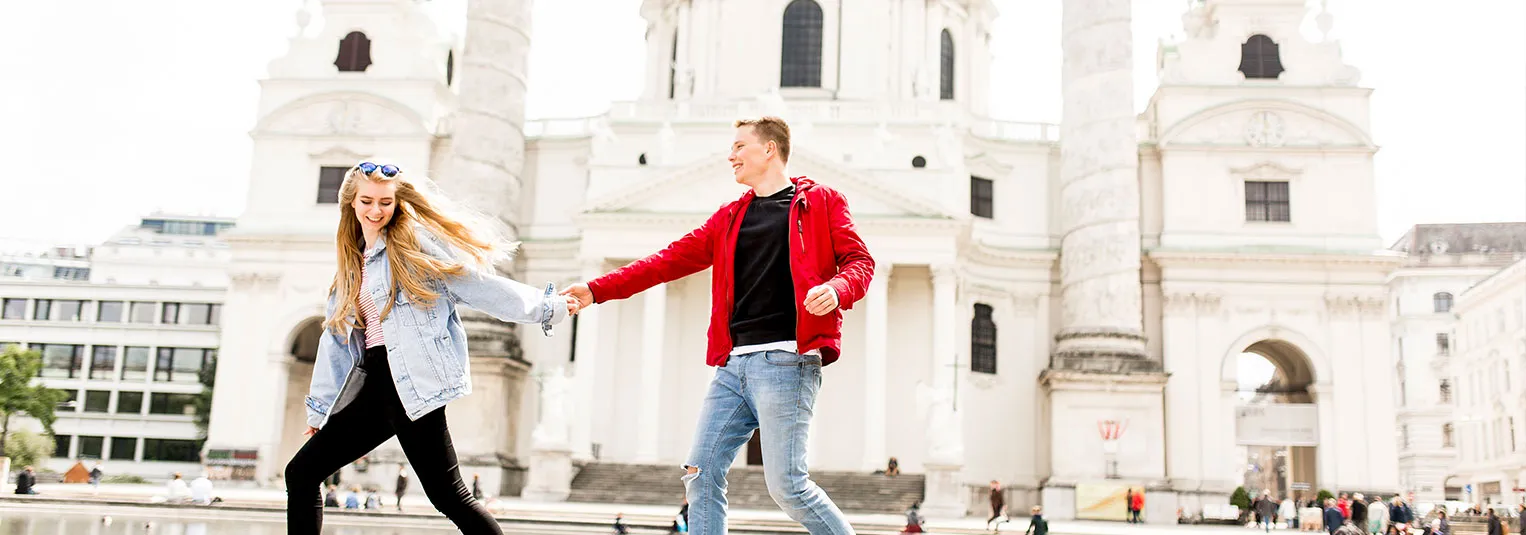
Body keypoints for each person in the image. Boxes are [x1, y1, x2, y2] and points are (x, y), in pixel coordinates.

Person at [561, 116, 875, 535]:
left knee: (788, 486)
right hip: (731, 367)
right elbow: (665, 261)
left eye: (740, 146)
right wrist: (596, 289)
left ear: (769, 149)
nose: (731, 155)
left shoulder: (821, 201)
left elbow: (860, 261)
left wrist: (837, 288)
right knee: (700, 472)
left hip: (787, 360)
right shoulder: (729, 217)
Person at [283, 160, 576, 535]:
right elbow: (337, 342)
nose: (376, 211)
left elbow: (473, 284)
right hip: (374, 383)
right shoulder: (352, 262)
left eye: (385, 202)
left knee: (449, 495)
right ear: (351, 203)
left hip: (413, 382)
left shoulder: (412, 245)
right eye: (367, 201)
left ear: (396, 203)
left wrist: (546, 306)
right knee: (302, 473)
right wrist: (321, 410)